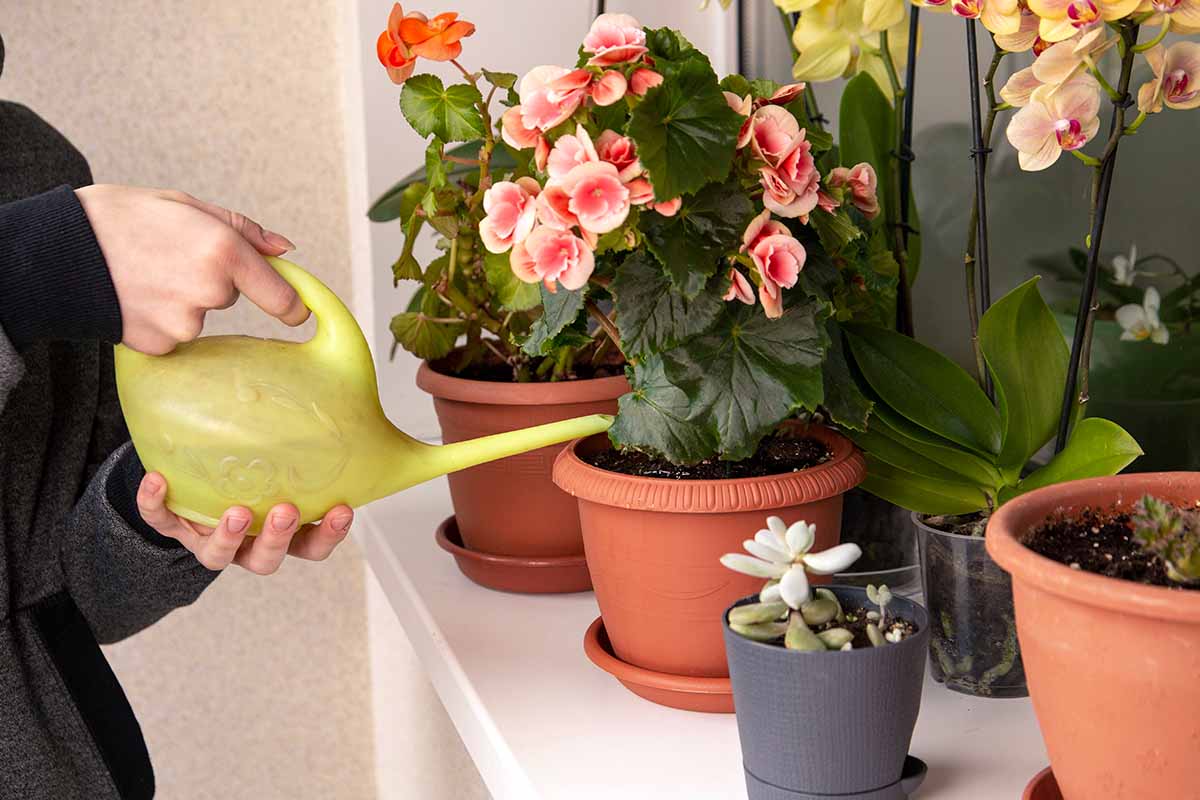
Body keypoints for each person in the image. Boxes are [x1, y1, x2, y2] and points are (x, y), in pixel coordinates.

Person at [0, 35, 353, 799]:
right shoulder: (46, 229)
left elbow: (64, 598)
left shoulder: (31, 162)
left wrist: (159, 505)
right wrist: (29, 267)